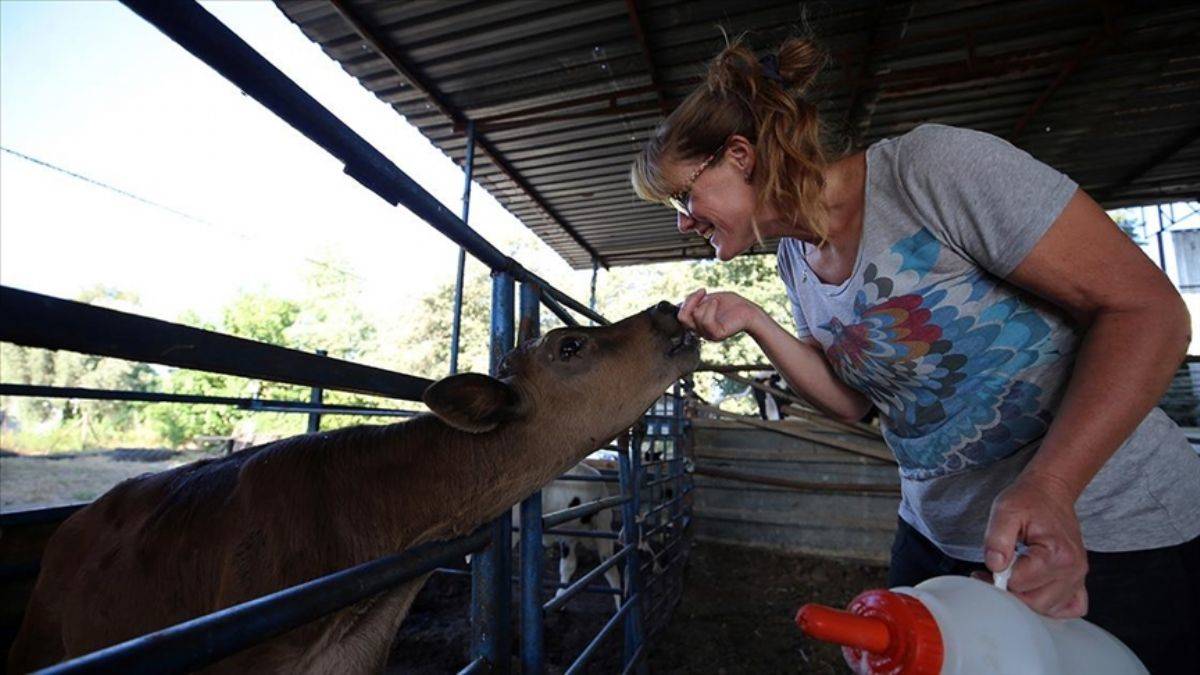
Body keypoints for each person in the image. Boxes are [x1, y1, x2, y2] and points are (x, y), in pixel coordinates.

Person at [630, 35, 1200, 673]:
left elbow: (1148, 311)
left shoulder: (928, 171)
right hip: (938, 534)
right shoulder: (794, 258)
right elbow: (853, 402)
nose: (682, 221)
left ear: (738, 156)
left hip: (1101, 525)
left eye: (684, 197)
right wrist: (755, 320)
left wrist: (1052, 484)